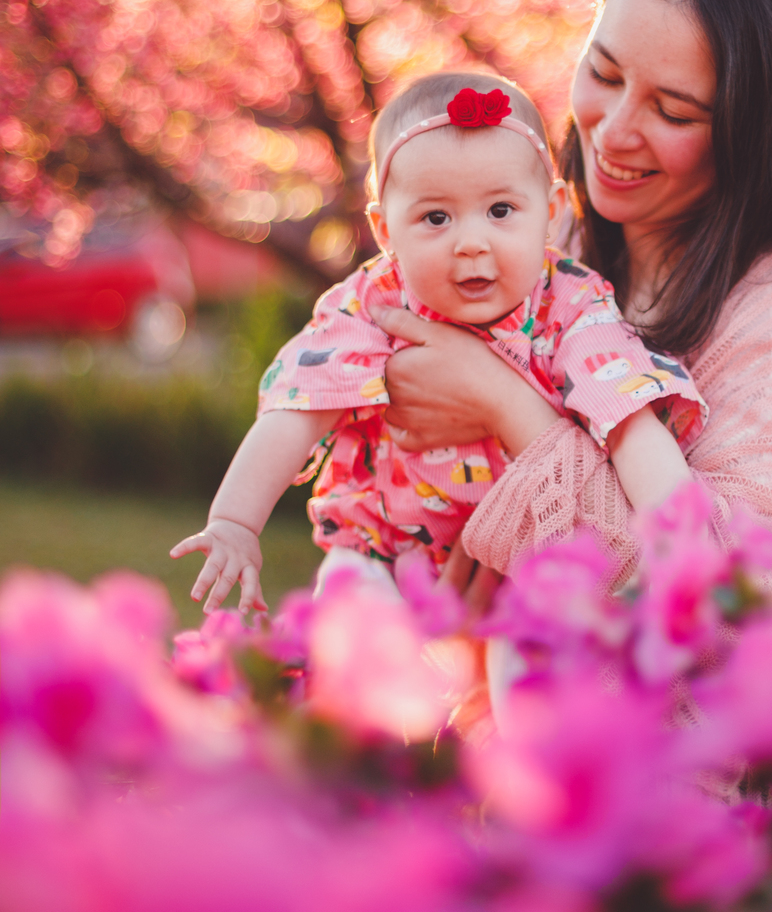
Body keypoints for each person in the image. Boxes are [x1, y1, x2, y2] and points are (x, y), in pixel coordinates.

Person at [371, 0, 772, 609]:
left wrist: (506, 408)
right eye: (606, 75)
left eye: (673, 111)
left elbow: (736, 614)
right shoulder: (557, 248)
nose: (612, 134)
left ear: (759, 131)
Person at [170, 72, 706, 613]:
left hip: (518, 558)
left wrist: (679, 539)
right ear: (385, 231)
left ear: (550, 210)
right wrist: (236, 521)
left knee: (531, 665)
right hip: (384, 549)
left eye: (500, 211)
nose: (471, 243)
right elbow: (298, 408)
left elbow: (628, 420)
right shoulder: (375, 303)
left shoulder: (569, 306)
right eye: (435, 217)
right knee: (353, 626)